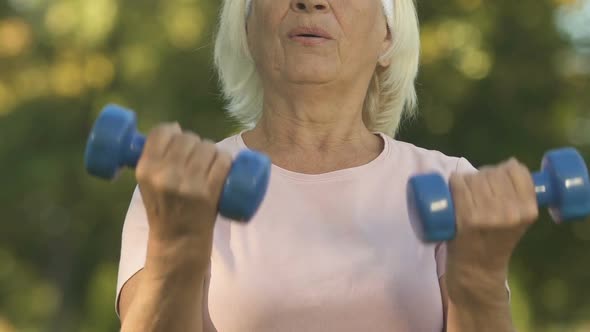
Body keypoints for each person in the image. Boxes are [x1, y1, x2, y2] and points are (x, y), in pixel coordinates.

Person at [116, 1, 538, 331]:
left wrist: (479, 282)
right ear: (246, 26)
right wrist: (177, 249)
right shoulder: (176, 185)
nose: (311, 2)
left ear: (387, 34)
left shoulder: (452, 185)